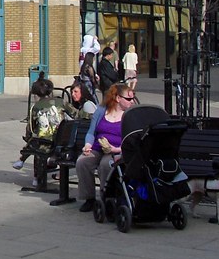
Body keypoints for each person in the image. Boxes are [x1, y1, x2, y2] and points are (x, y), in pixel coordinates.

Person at [76, 82, 137, 212]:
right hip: (98, 147)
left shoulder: (130, 115)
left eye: (133, 98)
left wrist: (116, 149)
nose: (132, 101)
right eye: (129, 99)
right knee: (82, 162)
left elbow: (132, 140)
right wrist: (87, 145)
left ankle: (107, 198)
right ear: (118, 98)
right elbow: (91, 132)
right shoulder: (101, 110)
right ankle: (89, 198)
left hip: (117, 150)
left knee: (106, 165)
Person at [13, 76, 78, 170]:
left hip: (44, 142)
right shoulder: (61, 102)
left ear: (36, 95)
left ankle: (23, 162)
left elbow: (31, 128)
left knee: (33, 141)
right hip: (62, 141)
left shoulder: (36, 107)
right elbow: (76, 114)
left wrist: (27, 137)